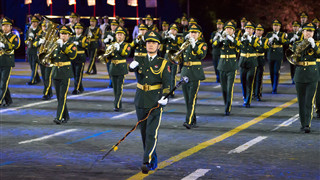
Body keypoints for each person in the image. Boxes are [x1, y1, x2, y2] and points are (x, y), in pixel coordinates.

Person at [128, 31, 170, 174]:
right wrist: (131, 67)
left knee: (152, 132)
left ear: (158, 46)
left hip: (155, 101)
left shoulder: (163, 63)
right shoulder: (140, 59)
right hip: (140, 99)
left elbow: (167, 83)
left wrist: (165, 96)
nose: (151, 45)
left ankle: (146, 161)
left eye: (153, 43)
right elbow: (133, 70)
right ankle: (153, 159)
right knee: (144, 133)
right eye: (148, 42)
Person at [293, 23, 319, 133]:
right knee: (301, 101)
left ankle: (307, 124)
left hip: (312, 75)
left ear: (313, 33)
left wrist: (314, 46)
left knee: (309, 101)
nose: (308, 33)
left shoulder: (316, 44)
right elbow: (295, 57)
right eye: (306, 31)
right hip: (300, 75)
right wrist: (304, 43)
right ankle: (303, 123)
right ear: (302, 32)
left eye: (311, 31)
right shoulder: (297, 43)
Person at [181, 24, 207, 129]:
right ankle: (193, 119)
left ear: (199, 34)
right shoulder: (186, 44)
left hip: (195, 73)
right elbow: (180, 57)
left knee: (192, 98)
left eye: (195, 33)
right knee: (187, 99)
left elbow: (201, 55)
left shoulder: (202, 44)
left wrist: (194, 45)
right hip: (185, 72)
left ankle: (188, 121)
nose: (193, 34)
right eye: (191, 32)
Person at [213, 21, 239, 115]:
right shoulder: (223, 39)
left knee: (229, 88)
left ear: (233, 31)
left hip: (231, 65)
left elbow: (240, 46)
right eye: (227, 29)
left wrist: (231, 39)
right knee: (223, 88)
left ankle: (228, 107)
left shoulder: (236, 39)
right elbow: (214, 45)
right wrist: (220, 38)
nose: (228, 30)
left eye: (230, 29)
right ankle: (226, 104)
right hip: (222, 65)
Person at [52, 25, 77, 124]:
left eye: (65, 34)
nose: (63, 36)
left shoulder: (72, 45)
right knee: (59, 96)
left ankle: (59, 117)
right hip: (55, 71)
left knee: (62, 96)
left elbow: (72, 55)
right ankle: (66, 116)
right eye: (62, 34)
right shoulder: (55, 44)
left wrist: (62, 46)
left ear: (69, 36)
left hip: (65, 72)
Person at [107, 26, 131, 111]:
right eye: (117, 34)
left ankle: (116, 105)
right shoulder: (112, 44)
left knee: (119, 87)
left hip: (121, 68)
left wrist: (118, 48)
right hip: (113, 67)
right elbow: (108, 57)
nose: (119, 36)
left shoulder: (126, 45)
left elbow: (125, 54)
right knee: (115, 88)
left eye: (121, 34)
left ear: (124, 36)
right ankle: (118, 104)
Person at [239, 21, 262, 108]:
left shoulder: (256, 39)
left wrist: (251, 40)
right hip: (243, 62)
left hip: (252, 62)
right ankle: (245, 96)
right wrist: (243, 39)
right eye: (247, 28)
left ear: (253, 30)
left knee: (249, 81)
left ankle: (248, 101)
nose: (248, 30)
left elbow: (260, 49)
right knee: (243, 81)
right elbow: (238, 47)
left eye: (250, 29)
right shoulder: (242, 38)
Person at [0, 17, 20, 107]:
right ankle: (8, 100)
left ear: (10, 27)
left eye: (7, 26)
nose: (5, 28)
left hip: (7, 61)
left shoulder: (14, 36)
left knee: (3, 82)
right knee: (2, 82)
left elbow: (15, 46)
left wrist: (4, 44)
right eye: (3, 26)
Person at [265, 19, 288, 94]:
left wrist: (278, 38)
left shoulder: (282, 34)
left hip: (278, 54)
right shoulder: (269, 34)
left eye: (277, 26)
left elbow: (286, 42)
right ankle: (273, 86)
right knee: (271, 72)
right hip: (270, 54)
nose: (275, 27)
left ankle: (275, 88)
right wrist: (270, 40)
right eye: (274, 25)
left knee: (276, 71)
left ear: (280, 27)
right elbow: (265, 43)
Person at [34, 21, 53, 100]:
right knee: (44, 77)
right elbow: (34, 44)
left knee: (48, 77)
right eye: (43, 26)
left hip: (49, 58)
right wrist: (39, 42)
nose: (44, 28)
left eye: (46, 27)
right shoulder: (39, 34)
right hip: (41, 58)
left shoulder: (52, 36)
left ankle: (46, 93)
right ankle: (49, 92)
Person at [163, 23, 183, 97]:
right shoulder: (167, 37)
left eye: (174, 30)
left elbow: (179, 45)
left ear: (176, 31)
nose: (172, 31)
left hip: (175, 57)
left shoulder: (179, 38)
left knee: (173, 75)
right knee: (166, 74)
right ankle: (166, 90)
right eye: (171, 29)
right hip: (167, 57)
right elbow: (162, 41)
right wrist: (166, 35)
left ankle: (172, 91)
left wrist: (173, 37)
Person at [69, 22, 88, 95]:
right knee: (74, 74)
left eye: (79, 29)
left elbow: (86, 45)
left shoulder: (84, 38)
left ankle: (76, 88)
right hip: (73, 57)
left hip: (80, 57)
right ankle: (80, 87)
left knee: (78, 74)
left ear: (82, 30)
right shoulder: (72, 37)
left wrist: (79, 43)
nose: (77, 30)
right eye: (76, 28)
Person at [253, 24, 269, 101]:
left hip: (260, 60)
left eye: (260, 30)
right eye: (257, 30)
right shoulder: (252, 38)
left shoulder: (265, 40)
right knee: (252, 77)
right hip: (252, 59)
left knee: (259, 78)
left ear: (262, 31)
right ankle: (252, 94)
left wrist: (257, 46)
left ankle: (258, 94)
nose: (258, 32)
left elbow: (264, 49)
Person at [25, 16, 41, 85]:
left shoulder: (40, 31)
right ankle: (37, 78)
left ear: (38, 23)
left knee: (34, 65)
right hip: (29, 50)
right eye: (33, 22)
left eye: (35, 22)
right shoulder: (28, 29)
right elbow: (25, 38)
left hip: (36, 50)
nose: (34, 23)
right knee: (32, 65)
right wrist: (27, 42)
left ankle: (33, 80)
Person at [103, 19, 118, 88]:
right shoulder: (107, 33)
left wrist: (113, 40)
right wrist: (106, 41)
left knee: (115, 68)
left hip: (116, 53)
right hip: (108, 53)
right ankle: (111, 81)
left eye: (115, 25)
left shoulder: (119, 33)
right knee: (109, 68)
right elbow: (104, 40)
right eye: (112, 25)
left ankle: (115, 81)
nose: (113, 27)